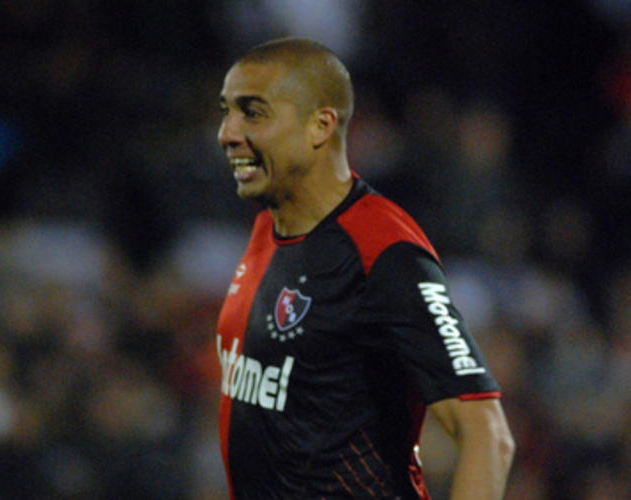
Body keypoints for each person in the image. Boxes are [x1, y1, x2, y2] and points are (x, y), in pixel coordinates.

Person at [215, 38, 514, 500]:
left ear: (320, 126)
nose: (227, 132)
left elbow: (487, 436)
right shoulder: (265, 231)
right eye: (227, 110)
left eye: (252, 113)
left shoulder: (384, 251)